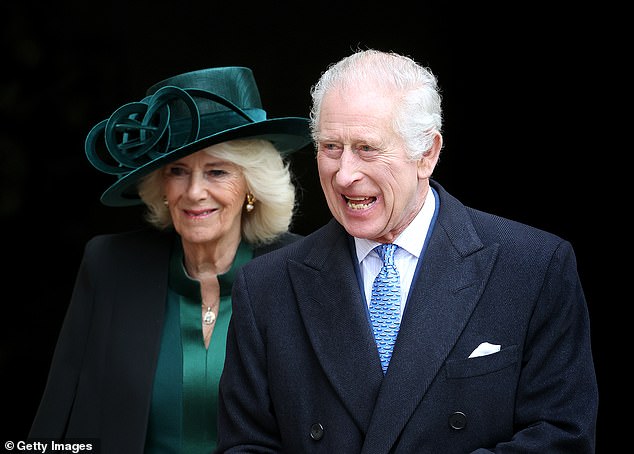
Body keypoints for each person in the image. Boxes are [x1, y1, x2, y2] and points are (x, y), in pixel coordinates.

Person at [216, 49, 598, 452]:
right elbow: (246, 445)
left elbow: (560, 437)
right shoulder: (265, 287)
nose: (345, 174)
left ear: (427, 154)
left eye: (366, 148)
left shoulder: (533, 267)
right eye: (331, 147)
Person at [28, 66, 312, 453]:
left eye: (216, 171)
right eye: (178, 172)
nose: (195, 192)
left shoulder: (302, 272)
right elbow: (57, 418)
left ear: (251, 186)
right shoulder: (110, 265)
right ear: (161, 187)